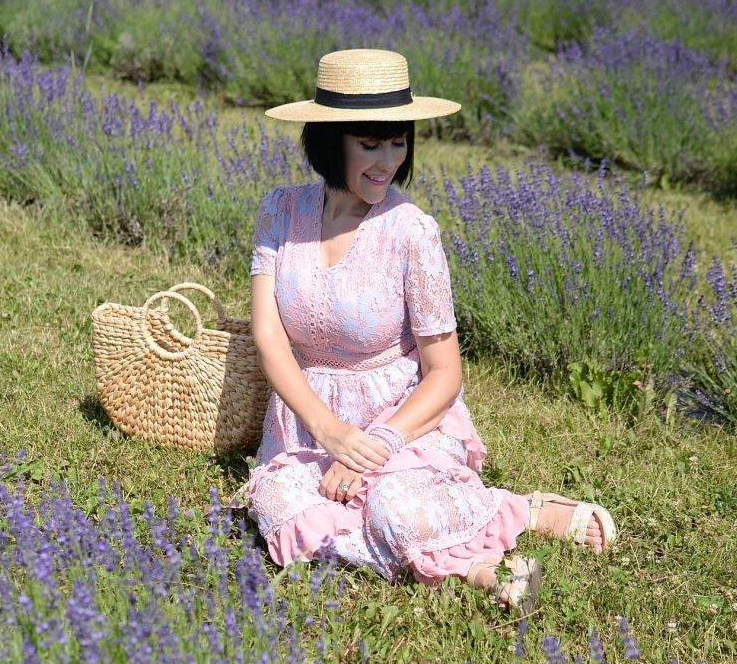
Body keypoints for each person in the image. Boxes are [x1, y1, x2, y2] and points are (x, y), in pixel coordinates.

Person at [243, 49, 615, 616]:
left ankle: (516, 518)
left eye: (398, 142)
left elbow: (445, 374)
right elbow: (268, 336)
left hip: (402, 423)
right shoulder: (279, 210)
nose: (387, 161)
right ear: (329, 140)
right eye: (370, 144)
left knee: (392, 506)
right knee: (282, 510)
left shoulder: (412, 231)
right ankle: (472, 557)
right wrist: (332, 431)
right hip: (307, 426)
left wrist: (372, 449)